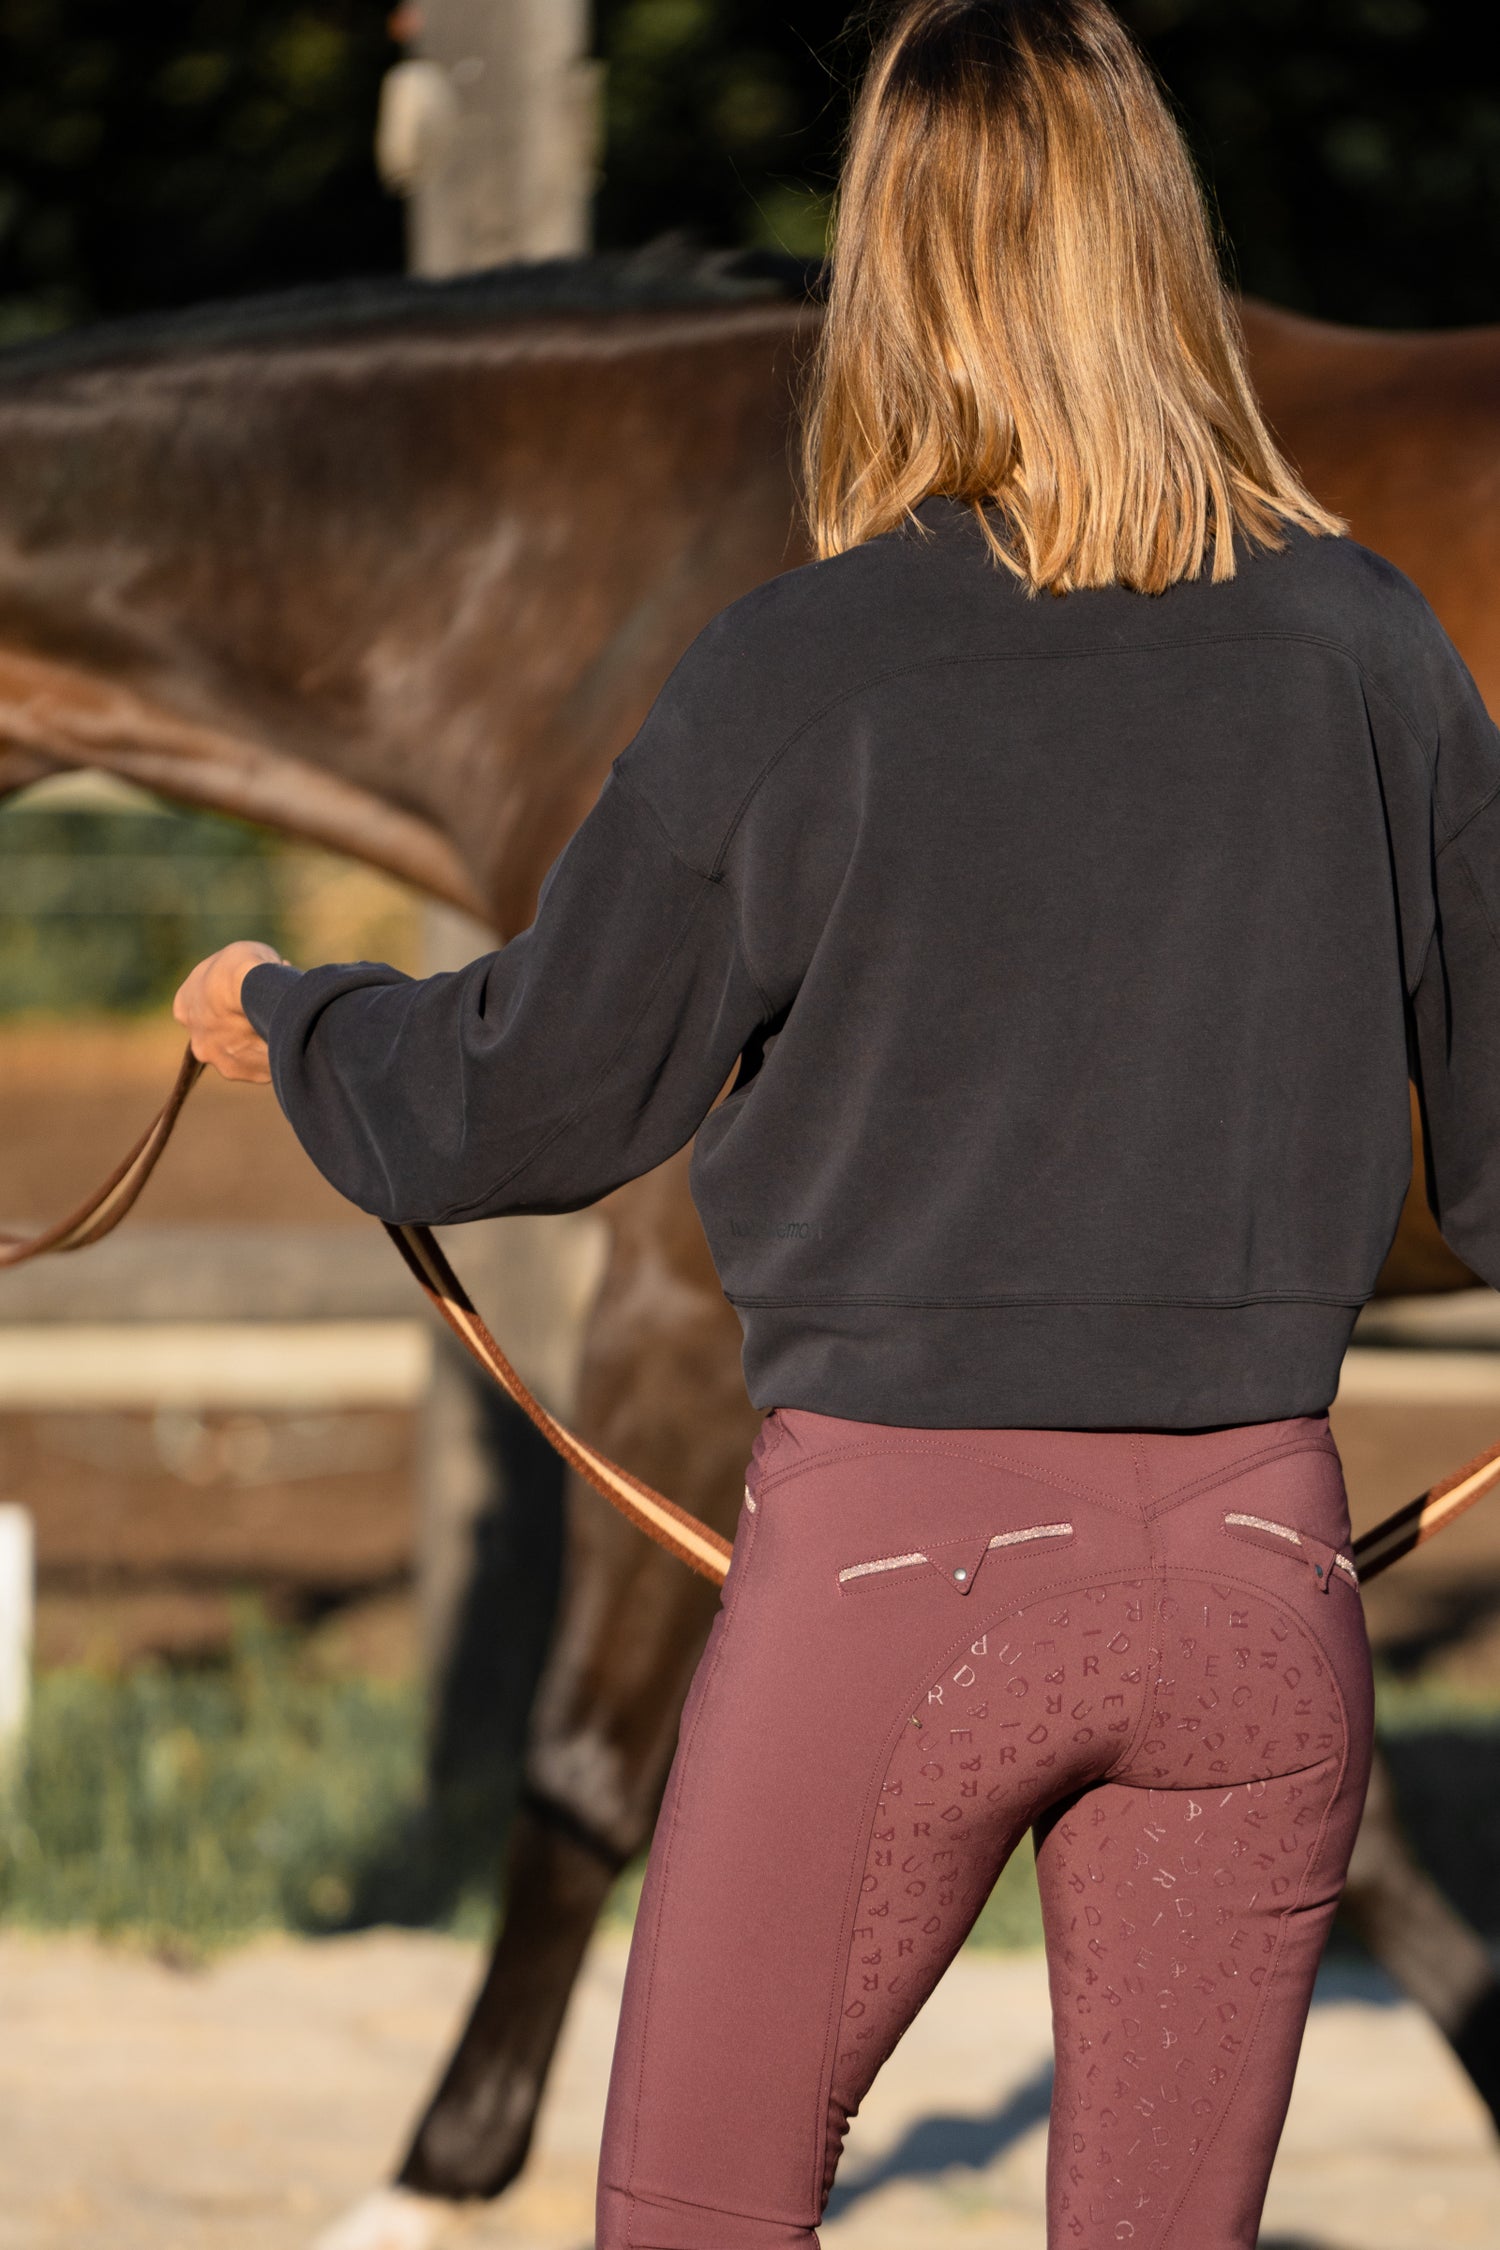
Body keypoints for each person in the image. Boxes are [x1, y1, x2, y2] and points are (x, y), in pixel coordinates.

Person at [174, 3, 1500, 2243]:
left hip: (898, 1593)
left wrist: (292, 1020)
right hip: (1269, 1597)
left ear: (893, 268)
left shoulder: (799, 669)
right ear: (1158, 252)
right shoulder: (1375, 648)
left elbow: (521, 1098)